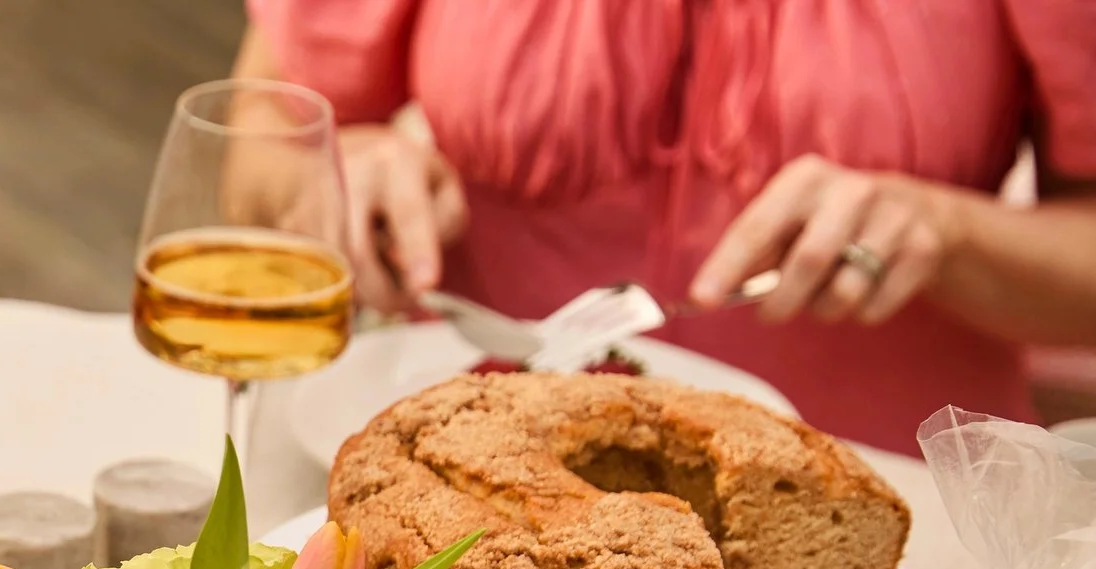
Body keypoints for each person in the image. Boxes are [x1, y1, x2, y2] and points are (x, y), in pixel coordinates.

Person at [236, 1, 1096, 452]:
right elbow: (251, 148)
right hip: (462, 478)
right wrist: (331, 174)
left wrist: (948, 231)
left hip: (880, 524)